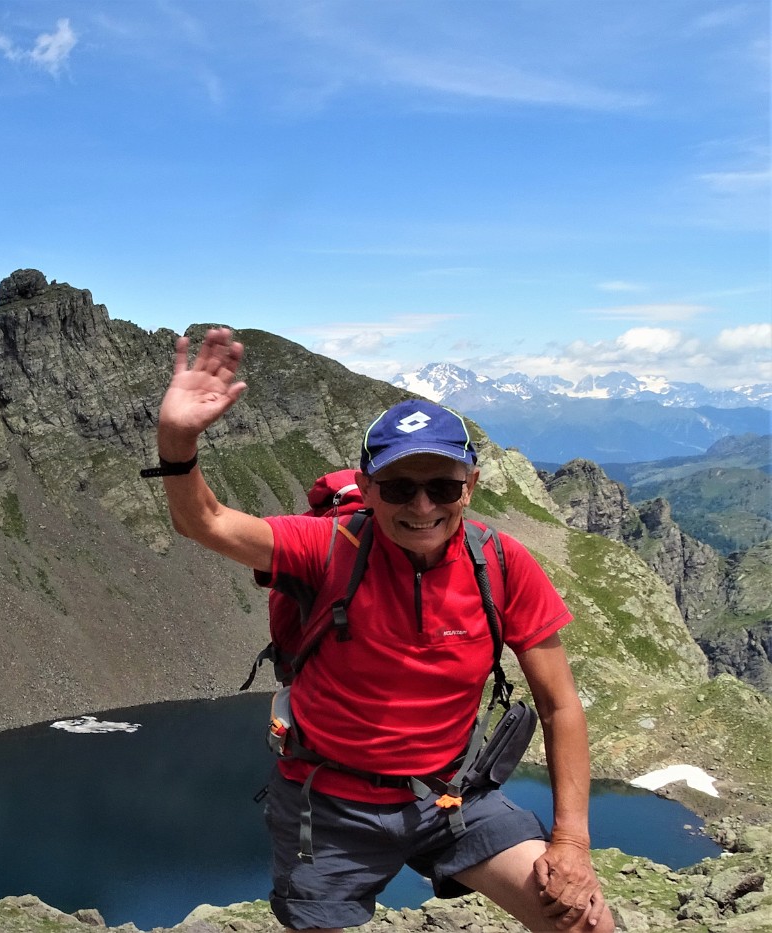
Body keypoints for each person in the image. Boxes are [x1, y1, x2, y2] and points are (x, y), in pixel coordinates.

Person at [150, 328, 614, 933]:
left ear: (469, 486)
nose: (422, 507)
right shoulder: (328, 547)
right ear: (366, 489)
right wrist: (178, 439)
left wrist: (571, 842)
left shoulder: (501, 563)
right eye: (399, 487)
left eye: (442, 486)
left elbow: (560, 707)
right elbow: (203, 521)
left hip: (450, 797)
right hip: (329, 808)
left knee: (583, 923)